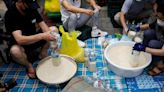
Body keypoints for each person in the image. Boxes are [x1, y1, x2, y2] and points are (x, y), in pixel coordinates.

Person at [4, 0, 58, 79]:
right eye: (28, 4)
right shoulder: (11, 14)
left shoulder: (31, 8)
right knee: (15, 51)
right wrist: (42, 36)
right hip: (21, 44)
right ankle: (28, 65)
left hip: (34, 38)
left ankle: (43, 53)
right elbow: (19, 39)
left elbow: (44, 26)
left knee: (54, 30)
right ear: (19, 2)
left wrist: (53, 39)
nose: (31, 7)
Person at [133, 0, 164, 76]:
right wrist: (137, 28)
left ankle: (159, 64)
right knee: (148, 33)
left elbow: (163, 52)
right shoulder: (161, 19)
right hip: (161, 38)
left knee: (152, 43)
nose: (155, 14)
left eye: (157, 13)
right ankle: (146, 56)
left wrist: (144, 48)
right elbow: (150, 25)